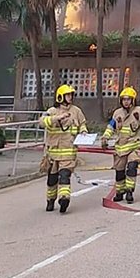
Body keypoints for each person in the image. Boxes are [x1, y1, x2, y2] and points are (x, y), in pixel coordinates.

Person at [102, 86, 140, 203]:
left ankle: (129, 191)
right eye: (124, 99)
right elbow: (111, 127)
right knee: (119, 172)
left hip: (134, 147)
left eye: (128, 99)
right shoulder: (117, 113)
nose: (126, 102)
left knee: (132, 168)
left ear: (133, 100)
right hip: (120, 149)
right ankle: (119, 192)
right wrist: (105, 138)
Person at [41, 83, 88, 213]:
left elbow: (82, 123)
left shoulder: (76, 111)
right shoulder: (52, 111)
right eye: (67, 95)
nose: (70, 97)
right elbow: (42, 121)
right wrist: (57, 118)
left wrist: (83, 131)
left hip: (68, 154)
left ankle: (64, 199)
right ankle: (50, 200)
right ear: (60, 97)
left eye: (71, 95)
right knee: (52, 180)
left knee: (64, 176)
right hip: (53, 155)